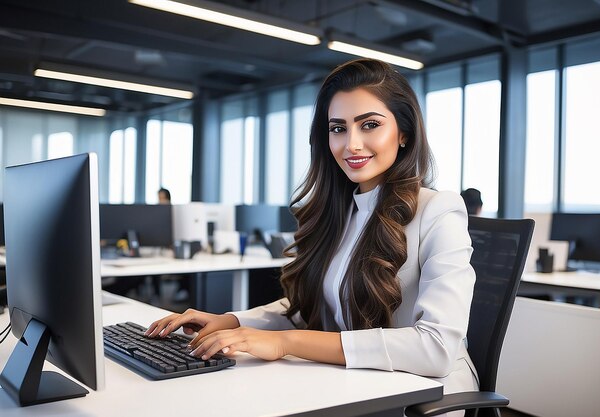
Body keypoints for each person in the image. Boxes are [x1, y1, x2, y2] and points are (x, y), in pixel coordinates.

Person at [146, 59, 478, 404]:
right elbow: (312, 309)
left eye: (370, 125)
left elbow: (436, 348)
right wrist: (231, 321)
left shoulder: (439, 210)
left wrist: (288, 342)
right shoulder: (342, 211)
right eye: (338, 128)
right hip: (359, 382)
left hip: (425, 394)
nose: (352, 144)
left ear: (404, 133)